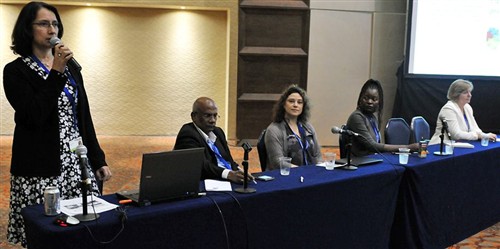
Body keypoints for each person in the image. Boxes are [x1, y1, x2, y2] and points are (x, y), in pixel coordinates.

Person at [3, 2, 112, 247]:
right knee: (47, 233)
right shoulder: (15, 71)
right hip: (40, 167)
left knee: (84, 230)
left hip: (75, 163)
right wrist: (56, 72)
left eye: (55, 24)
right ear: (27, 29)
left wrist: (98, 158)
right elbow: (34, 114)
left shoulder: (71, 69)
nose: (52, 30)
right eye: (43, 24)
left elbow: (82, 117)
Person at [174, 97, 254, 184]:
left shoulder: (218, 132)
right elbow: (202, 165)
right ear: (194, 116)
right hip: (205, 182)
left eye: (215, 116)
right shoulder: (187, 134)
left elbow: (228, 159)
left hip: (226, 179)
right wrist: (229, 174)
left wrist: (239, 170)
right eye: (207, 116)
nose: (212, 120)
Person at [346, 79, 418, 156]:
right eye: (366, 98)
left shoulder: (372, 117)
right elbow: (372, 146)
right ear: (360, 99)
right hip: (358, 164)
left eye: (374, 99)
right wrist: (407, 148)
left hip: (372, 160)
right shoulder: (356, 117)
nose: (369, 102)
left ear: (379, 102)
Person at [264, 85, 322, 170]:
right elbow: (277, 162)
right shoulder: (274, 130)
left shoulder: (308, 127)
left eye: (299, 102)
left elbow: (317, 155)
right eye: (291, 101)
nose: (295, 105)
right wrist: (301, 171)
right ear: (283, 104)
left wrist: (319, 170)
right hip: (288, 177)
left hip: (311, 175)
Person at [429, 79, 496, 145]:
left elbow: (475, 128)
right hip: (442, 145)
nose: (469, 95)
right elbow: (456, 135)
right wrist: (477, 136)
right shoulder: (448, 109)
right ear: (456, 94)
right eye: (465, 93)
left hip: (460, 144)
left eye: (470, 92)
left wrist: (485, 136)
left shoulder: (467, 107)